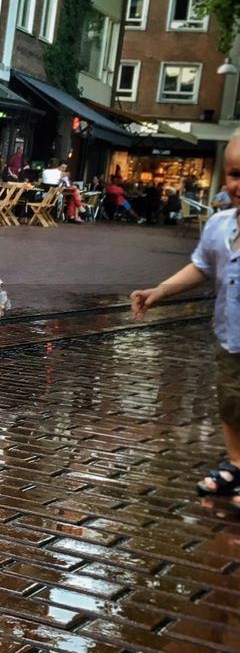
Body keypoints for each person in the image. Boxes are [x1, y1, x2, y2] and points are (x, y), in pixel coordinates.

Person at [132, 131, 240, 500]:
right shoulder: (220, 226)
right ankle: (237, 463)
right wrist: (159, 291)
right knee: (231, 401)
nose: (239, 184)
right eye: (235, 174)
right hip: (231, 337)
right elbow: (201, 267)